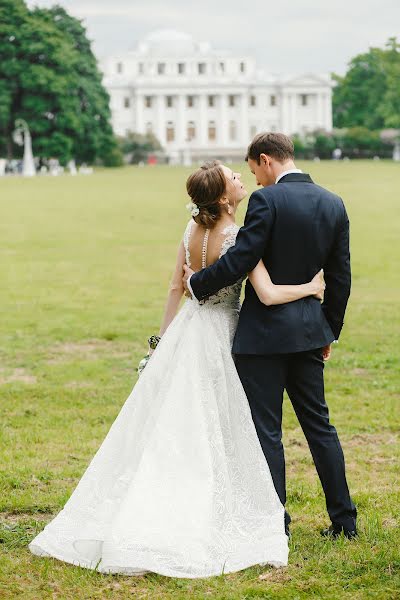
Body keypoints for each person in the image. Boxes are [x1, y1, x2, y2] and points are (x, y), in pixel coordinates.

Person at [29, 161, 325, 578]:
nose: (241, 179)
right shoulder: (238, 237)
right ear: (224, 198)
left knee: (179, 421)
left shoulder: (189, 232)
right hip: (224, 331)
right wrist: (312, 288)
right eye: (233, 179)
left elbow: (175, 288)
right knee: (221, 421)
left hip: (188, 331)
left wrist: (163, 342)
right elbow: (269, 294)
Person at [183, 134, 357, 540]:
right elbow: (341, 277)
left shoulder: (266, 201)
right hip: (311, 332)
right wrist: (329, 329)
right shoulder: (334, 202)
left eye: (253, 169)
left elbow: (242, 258)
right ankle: (344, 520)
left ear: (266, 160)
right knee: (320, 427)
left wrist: (197, 285)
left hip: (262, 338)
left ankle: (275, 522)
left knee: (267, 430)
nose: (255, 180)